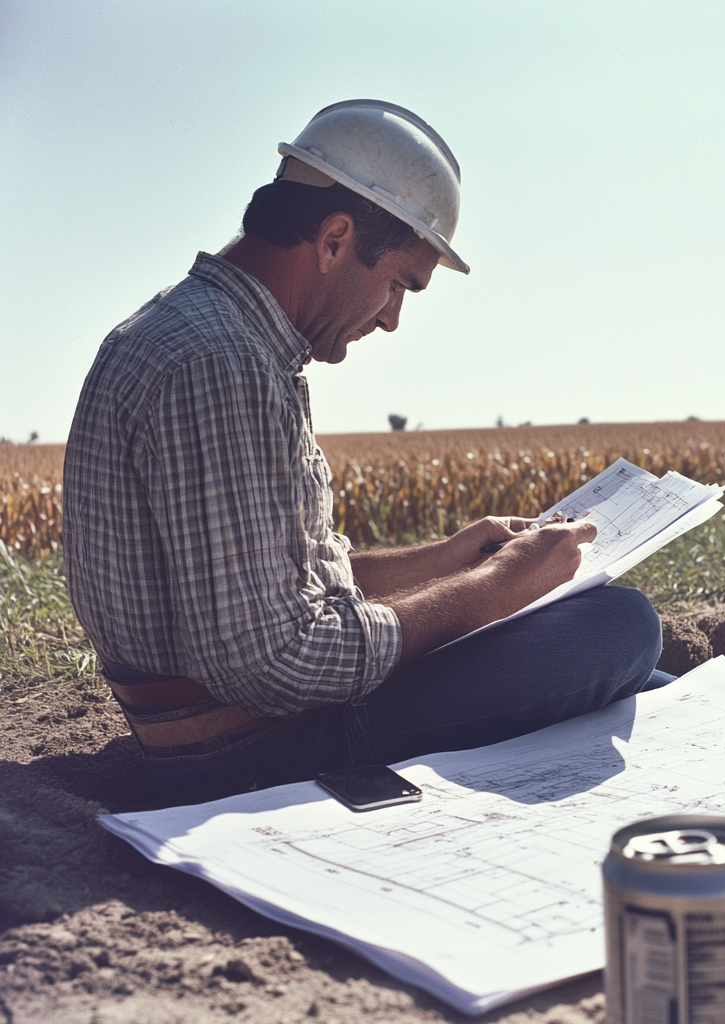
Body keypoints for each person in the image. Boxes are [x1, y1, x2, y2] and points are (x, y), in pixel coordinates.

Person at [63, 100, 668, 805]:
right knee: (619, 629)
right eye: (398, 284)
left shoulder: (204, 335)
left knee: (635, 673)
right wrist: (488, 594)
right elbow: (269, 664)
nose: (391, 318)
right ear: (334, 239)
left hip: (253, 723)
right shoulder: (220, 366)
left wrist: (453, 556)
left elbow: (283, 582)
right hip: (251, 746)